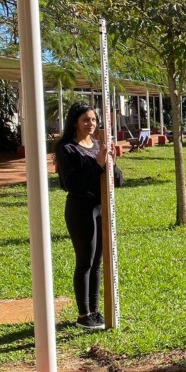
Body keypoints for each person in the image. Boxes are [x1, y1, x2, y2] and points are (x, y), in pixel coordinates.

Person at [55, 102, 123, 330]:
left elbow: (118, 181)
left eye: (93, 120)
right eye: (86, 119)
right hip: (80, 209)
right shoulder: (67, 148)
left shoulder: (97, 145)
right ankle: (84, 314)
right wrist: (98, 165)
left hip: (101, 207)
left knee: (98, 263)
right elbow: (71, 184)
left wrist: (111, 161)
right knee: (85, 261)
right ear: (75, 122)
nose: (91, 124)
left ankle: (95, 311)